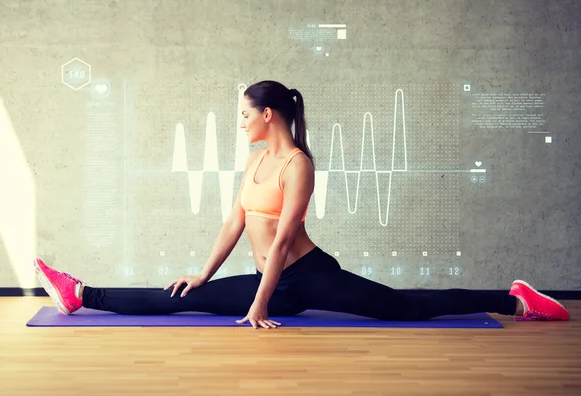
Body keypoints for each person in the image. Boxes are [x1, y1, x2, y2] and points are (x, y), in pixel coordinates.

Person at [33, 80, 570, 329]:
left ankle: (515, 298)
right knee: (182, 297)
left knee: (401, 308)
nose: (241, 122)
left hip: (308, 275)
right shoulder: (256, 161)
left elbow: (285, 239)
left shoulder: (297, 165)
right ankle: (80, 293)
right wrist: (202, 274)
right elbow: (234, 221)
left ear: (269, 114)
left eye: (245, 115)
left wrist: (260, 304)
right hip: (272, 280)